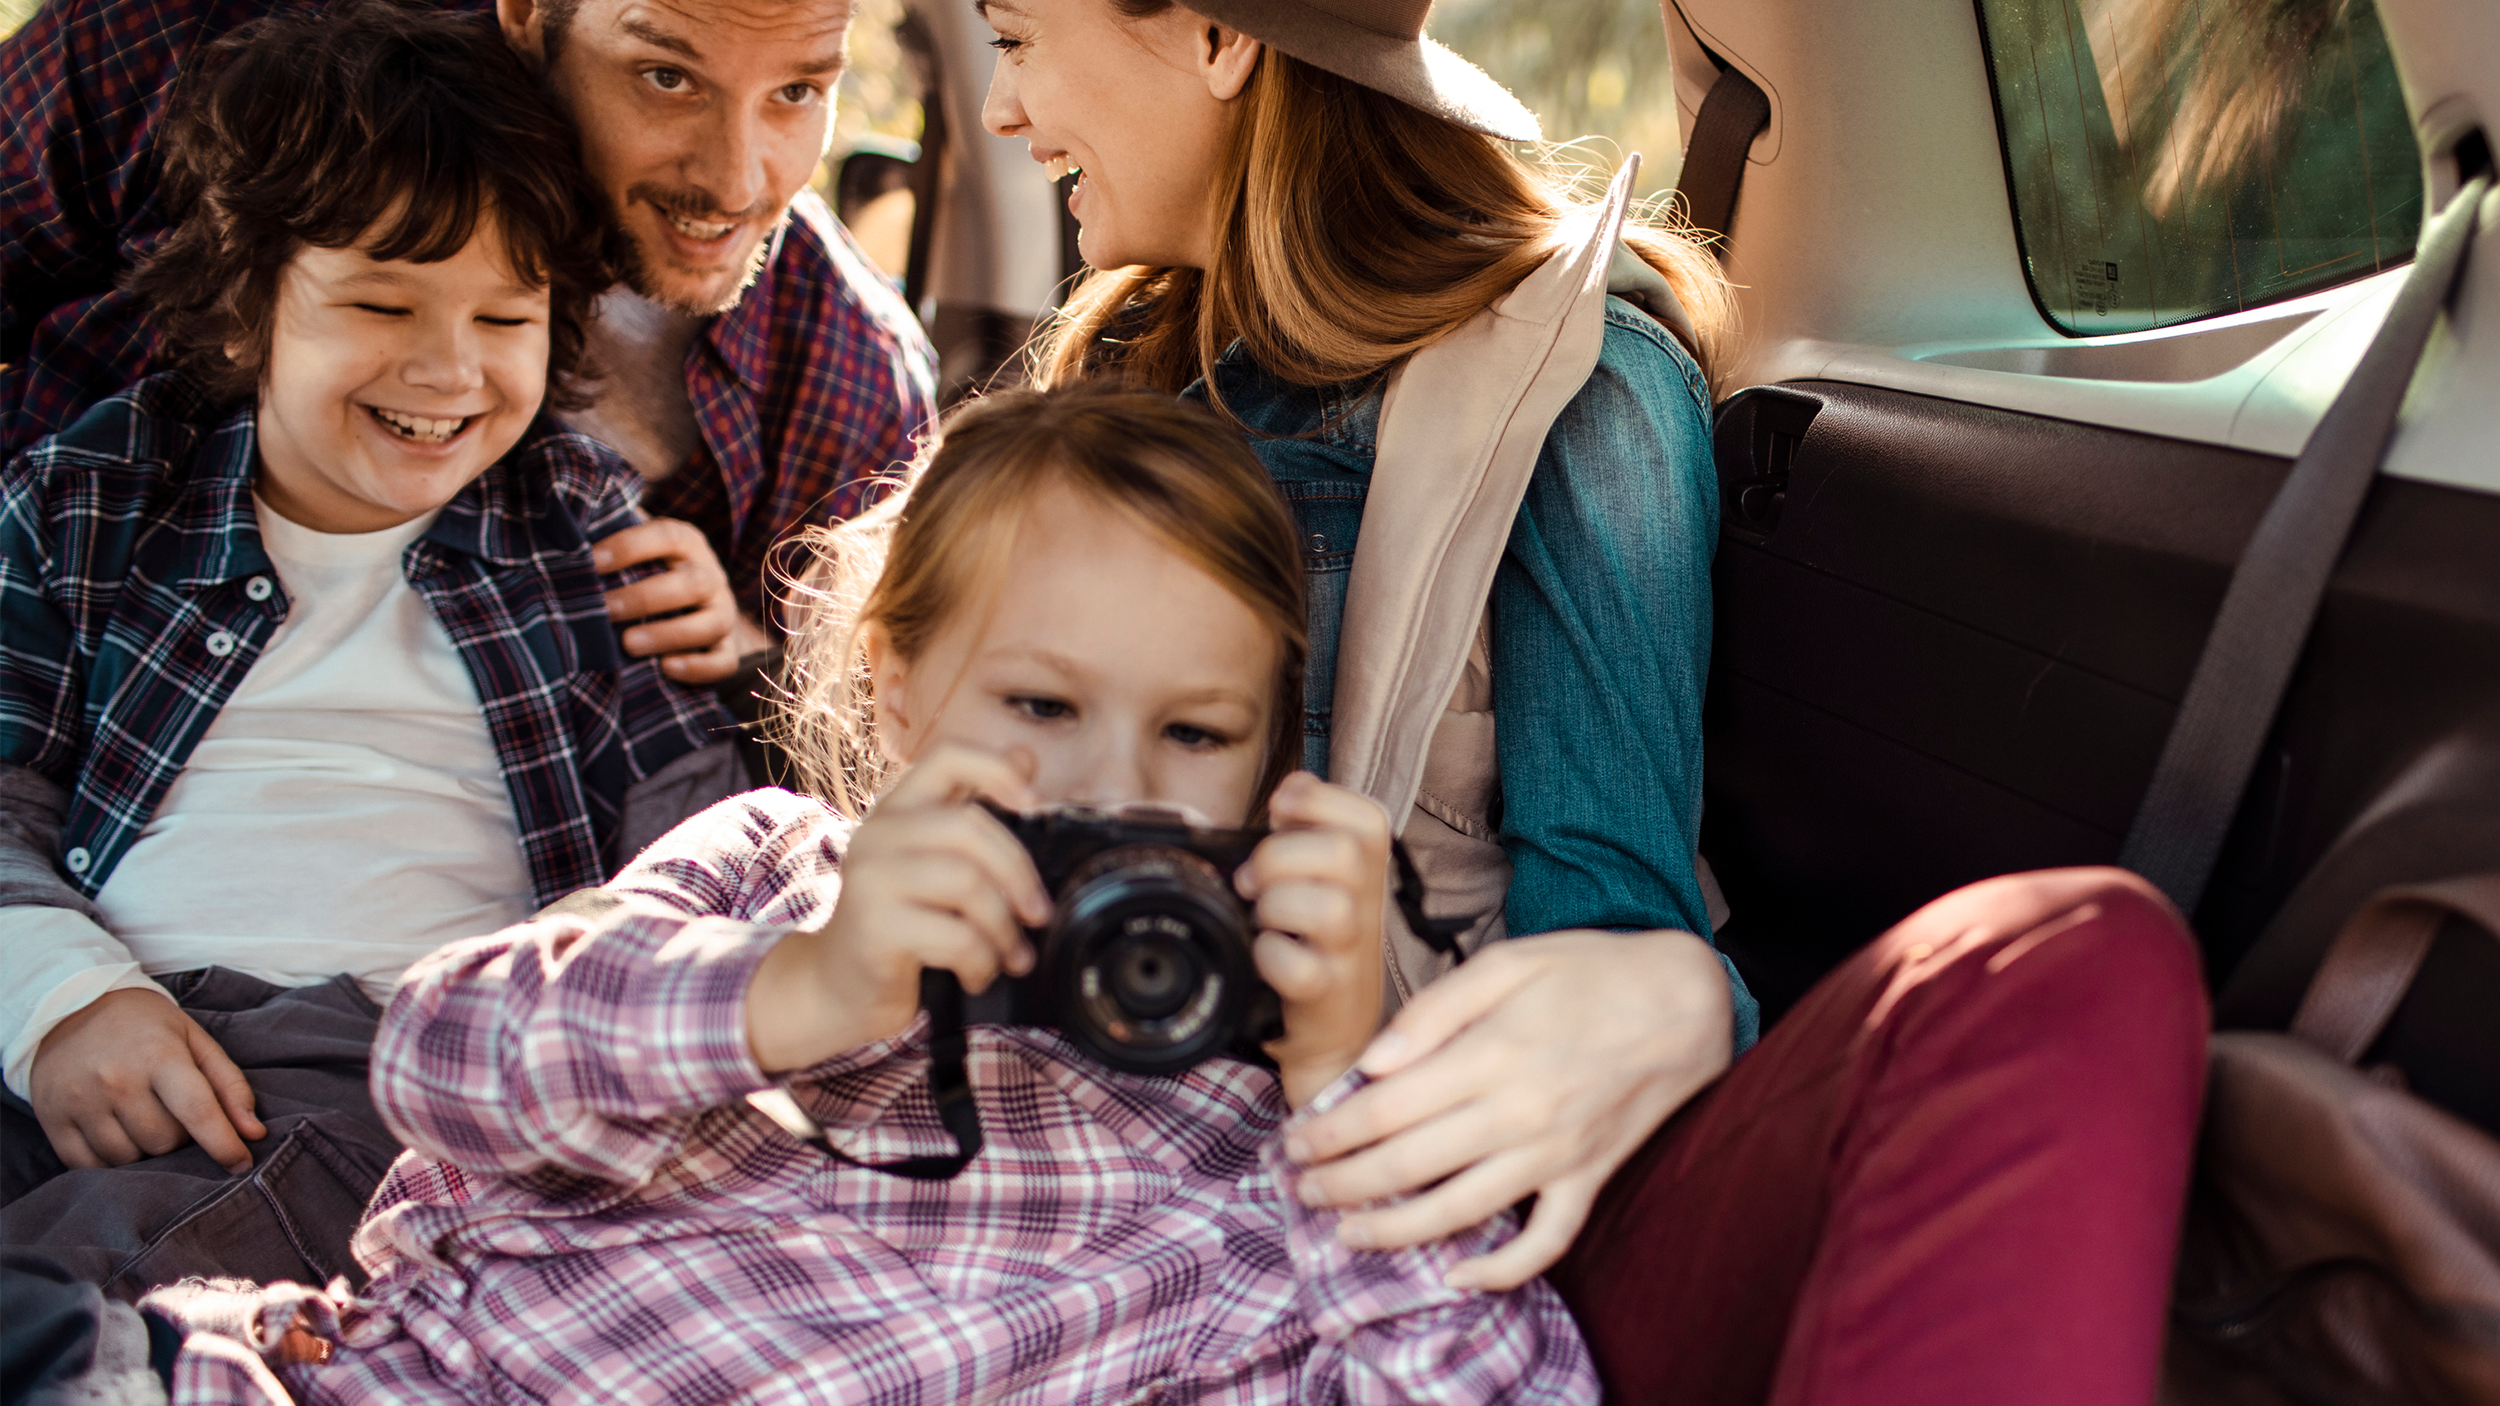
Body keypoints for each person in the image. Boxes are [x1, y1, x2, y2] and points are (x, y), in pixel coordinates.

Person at [987, 2, 2212, 1401]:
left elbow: (1598, 944)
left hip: (1395, 1187)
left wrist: (1675, 987)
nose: (998, 111)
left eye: (1016, 37)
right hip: (1077, 1157)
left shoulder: (1578, 386)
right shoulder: (1117, 366)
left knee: (2068, 960)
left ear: (1216, 34)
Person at [100, 385, 1599, 1403]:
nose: (1110, 791)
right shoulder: (774, 865)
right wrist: (806, 985)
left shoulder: (1251, 1155)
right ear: (894, 694)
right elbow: (437, 1063)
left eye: (1194, 734)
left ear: (1275, 774)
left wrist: (1339, 1084)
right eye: (1038, 703)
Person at [0, 1, 733, 1295]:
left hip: (388, 1061)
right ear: (250, 307)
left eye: (504, 320)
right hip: (82, 1019)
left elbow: (694, 832)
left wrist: (607, 986)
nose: (448, 371)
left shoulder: (581, 533)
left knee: (86, 1287)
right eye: (383, 303)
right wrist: (60, 998)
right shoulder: (94, 496)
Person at [0, 0, 938, 686]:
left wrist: (749, 654)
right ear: (530, 14)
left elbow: (874, 724)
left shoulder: (847, 369)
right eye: (667, 77)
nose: (736, 180)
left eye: (797, 90)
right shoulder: (183, 50)